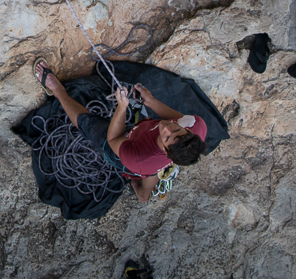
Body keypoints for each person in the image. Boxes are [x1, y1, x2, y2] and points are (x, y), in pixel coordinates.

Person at [34, 60, 208, 203]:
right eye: (176, 129)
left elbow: (113, 138)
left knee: (88, 123)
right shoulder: (195, 125)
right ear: (187, 131)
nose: (167, 128)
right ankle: (143, 194)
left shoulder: (138, 157)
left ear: (166, 151)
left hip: (123, 151)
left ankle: (57, 90)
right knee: (151, 169)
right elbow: (174, 118)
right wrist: (151, 101)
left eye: (167, 137)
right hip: (148, 151)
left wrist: (122, 107)